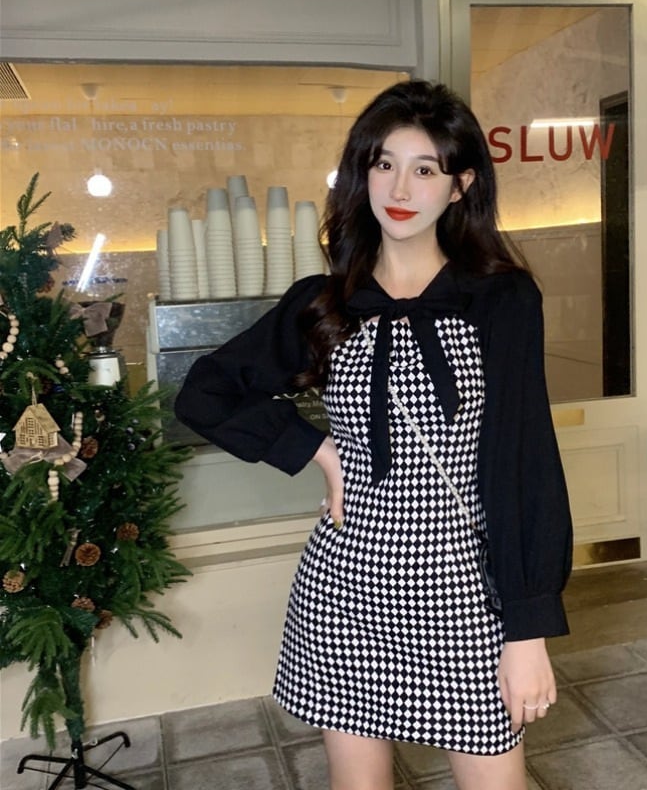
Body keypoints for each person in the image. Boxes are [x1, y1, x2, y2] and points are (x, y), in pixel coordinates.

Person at [174, 80, 572, 790]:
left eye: (426, 169)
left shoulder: (501, 300)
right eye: (384, 163)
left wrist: (527, 628)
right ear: (362, 174)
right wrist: (316, 451)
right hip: (347, 587)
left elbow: (526, 467)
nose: (400, 187)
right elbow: (204, 392)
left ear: (460, 185)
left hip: (461, 588)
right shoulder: (325, 302)